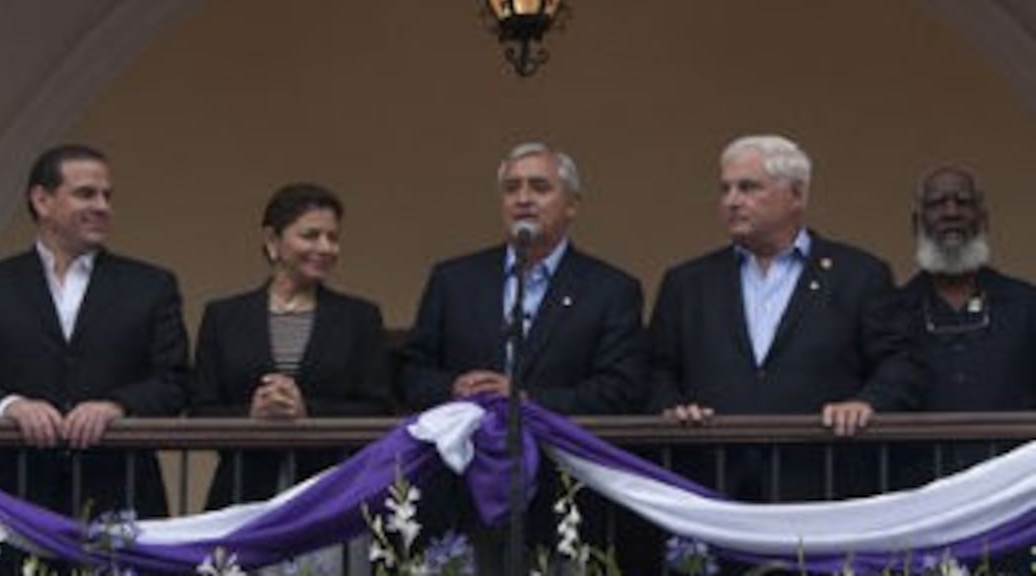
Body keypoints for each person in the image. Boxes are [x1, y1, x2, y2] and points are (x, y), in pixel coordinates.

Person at [401, 141, 648, 563]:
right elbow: (411, 374)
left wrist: (528, 400)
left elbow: (621, 390)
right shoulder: (454, 280)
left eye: (539, 187)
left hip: (564, 495)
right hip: (462, 495)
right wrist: (454, 388)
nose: (523, 199)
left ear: (572, 204)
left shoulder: (610, 290)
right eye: (512, 188)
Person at [649, 134, 922, 503]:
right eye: (725, 189)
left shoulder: (858, 275)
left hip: (821, 482)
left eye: (748, 188)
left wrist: (866, 403)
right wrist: (673, 407)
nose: (731, 201)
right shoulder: (688, 283)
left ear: (796, 194)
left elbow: (899, 362)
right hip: (713, 487)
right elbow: (656, 368)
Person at [0, 144, 188, 522]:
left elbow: (176, 383)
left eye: (107, 196)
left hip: (117, 495)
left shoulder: (150, 286)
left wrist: (116, 406)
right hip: (12, 498)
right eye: (86, 194)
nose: (102, 206)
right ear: (42, 200)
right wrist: (11, 406)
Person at [191, 183, 390, 509]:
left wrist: (307, 412)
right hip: (242, 492)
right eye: (311, 236)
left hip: (329, 494)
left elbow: (378, 407)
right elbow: (200, 408)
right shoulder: (224, 316)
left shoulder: (359, 317)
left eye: (333, 237)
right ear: (273, 240)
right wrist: (251, 414)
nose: (325, 247)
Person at [893, 167, 1036, 483]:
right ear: (918, 223)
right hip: (920, 487)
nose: (951, 213)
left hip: (1013, 487)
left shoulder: (1026, 305)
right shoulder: (893, 311)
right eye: (937, 203)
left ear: (983, 219)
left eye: (963, 202)